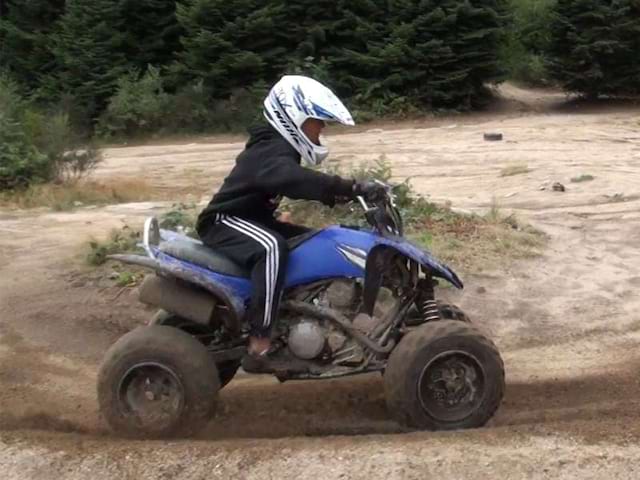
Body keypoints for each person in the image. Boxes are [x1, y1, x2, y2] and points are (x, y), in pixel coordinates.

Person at [196, 75, 381, 368]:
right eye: (317, 121)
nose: (321, 129)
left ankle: (303, 314)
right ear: (294, 116)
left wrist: (347, 196)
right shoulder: (270, 147)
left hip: (250, 218)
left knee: (317, 242)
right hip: (224, 221)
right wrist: (349, 187)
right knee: (271, 247)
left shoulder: (279, 148)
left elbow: (288, 179)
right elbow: (289, 178)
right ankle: (260, 341)